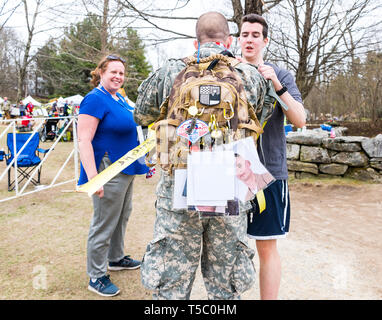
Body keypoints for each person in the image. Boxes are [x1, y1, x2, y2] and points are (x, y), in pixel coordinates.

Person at [134, 11, 275, 300]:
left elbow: (142, 114)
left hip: (179, 189)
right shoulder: (248, 75)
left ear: (195, 41)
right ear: (229, 40)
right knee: (225, 282)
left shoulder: (169, 72)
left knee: (172, 280)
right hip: (229, 188)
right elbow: (262, 115)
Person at [238, 13, 306, 300]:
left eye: (256, 35)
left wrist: (277, 85)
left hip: (269, 174)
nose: (250, 39)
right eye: (245, 34)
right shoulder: (227, 72)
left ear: (265, 41)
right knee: (228, 245)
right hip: (231, 174)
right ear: (237, 39)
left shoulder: (281, 74)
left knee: (266, 247)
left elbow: (300, 120)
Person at [77, 54, 148, 297]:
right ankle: (96, 276)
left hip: (127, 167)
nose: (118, 76)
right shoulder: (94, 99)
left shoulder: (119, 98)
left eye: (121, 73)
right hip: (108, 169)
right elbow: (84, 140)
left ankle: (115, 258)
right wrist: (93, 177)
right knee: (104, 222)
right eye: (113, 72)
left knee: (122, 215)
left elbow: (134, 130)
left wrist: (143, 160)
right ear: (101, 73)